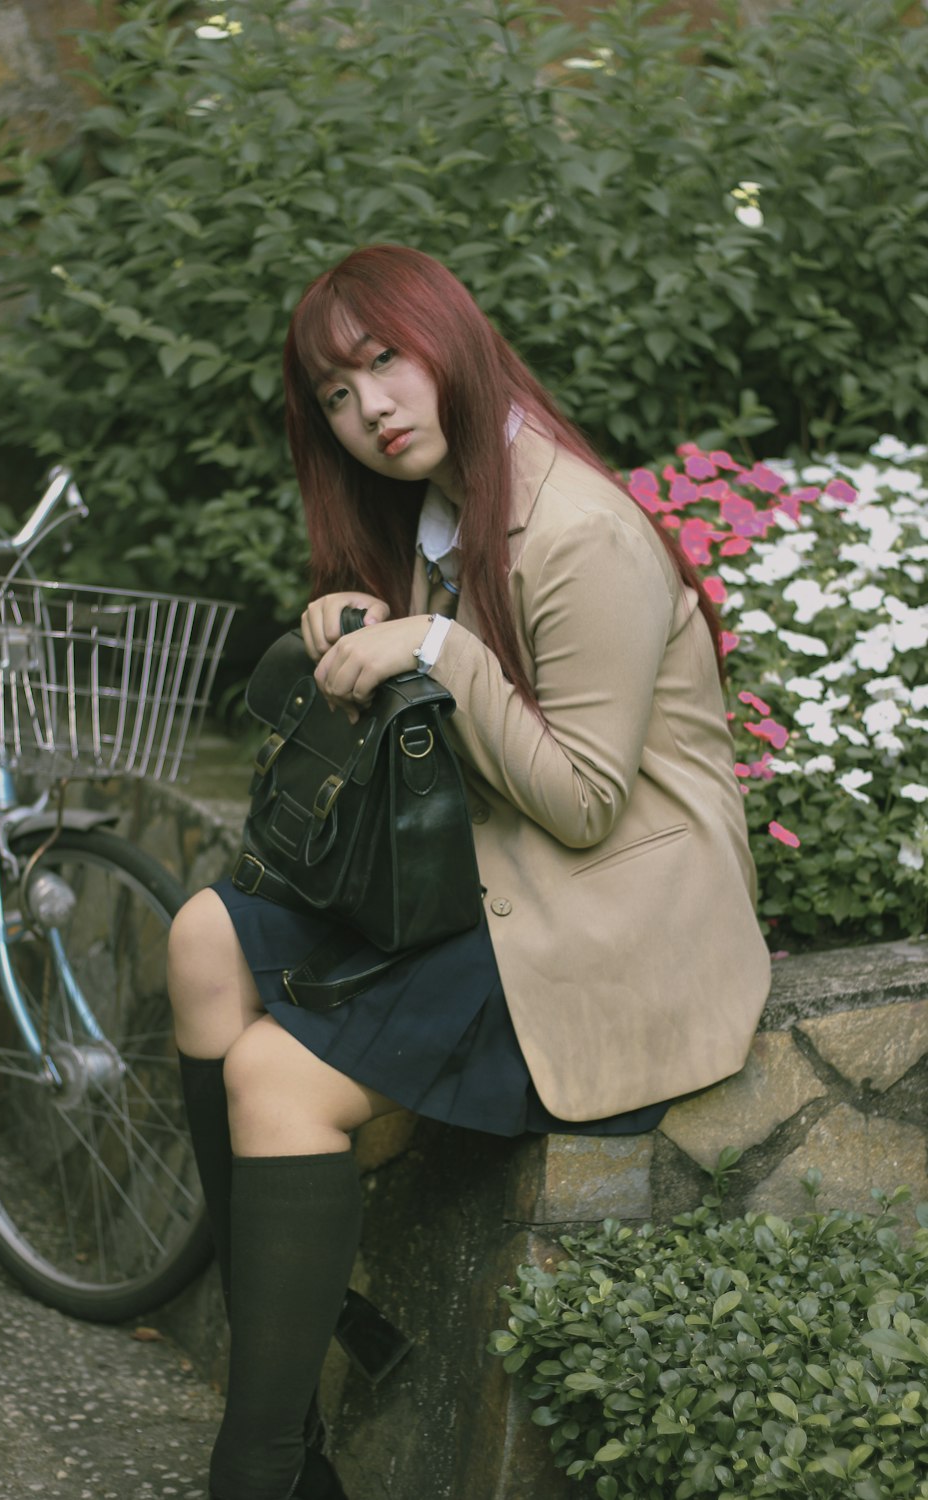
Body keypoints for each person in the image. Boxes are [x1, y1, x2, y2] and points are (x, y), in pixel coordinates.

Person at [167, 243, 771, 1500]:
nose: (370, 409)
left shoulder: (581, 535)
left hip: (613, 919)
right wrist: (351, 624)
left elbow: (588, 805)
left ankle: (263, 1462)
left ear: (452, 343)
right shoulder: (436, 516)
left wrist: (432, 645)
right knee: (200, 943)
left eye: (386, 360)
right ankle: (295, 1379)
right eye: (336, 394)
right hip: (486, 876)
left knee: (277, 1077)